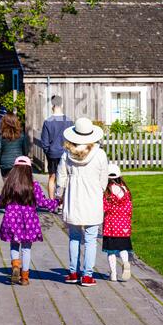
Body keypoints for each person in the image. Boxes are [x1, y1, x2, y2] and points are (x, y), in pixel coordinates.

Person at [56, 117, 108, 286]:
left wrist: (59, 195)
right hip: (92, 198)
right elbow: (103, 180)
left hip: (74, 198)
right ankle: (87, 275)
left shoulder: (66, 154)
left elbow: (61, 178)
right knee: (91, 239)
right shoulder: (99, 154)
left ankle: (73, 272)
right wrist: (98, 191)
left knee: (74, 237)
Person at [0, 156, 60, 286]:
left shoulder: (10, 184)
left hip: (11, 219)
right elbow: (42, 202)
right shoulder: (34, 186)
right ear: (29, 170)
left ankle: (15, 265)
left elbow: (3, 199)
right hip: (28, 221)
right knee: (26, 248)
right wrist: (55, 202)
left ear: (14, 170)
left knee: (14, 244)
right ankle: (24, 277)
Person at [102, 163, 133, 282]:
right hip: (124, 226)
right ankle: (125, 262)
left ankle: (113, 274)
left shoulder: (108, 192)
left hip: (111, 227)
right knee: (123, 248)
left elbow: (104, 208)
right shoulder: (125, 190)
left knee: (111, 251)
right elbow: (129, 208)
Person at [41, 95, 73, 200]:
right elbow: (72, 140)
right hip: (66, 153)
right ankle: (62, 203)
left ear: (52, 106)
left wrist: (48, 152)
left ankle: (52, 202)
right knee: (65, 177)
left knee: (52, 177)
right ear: (62, 105)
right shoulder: (69, 121)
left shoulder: (48, 122)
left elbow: (44, 142)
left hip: (52, 153)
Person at [0, 113, 28, 180]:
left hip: (5, 164)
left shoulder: (1, 136)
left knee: (7, 187)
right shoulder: (21, 135)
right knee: (17, 186)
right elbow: (25, 150)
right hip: (18, 164)